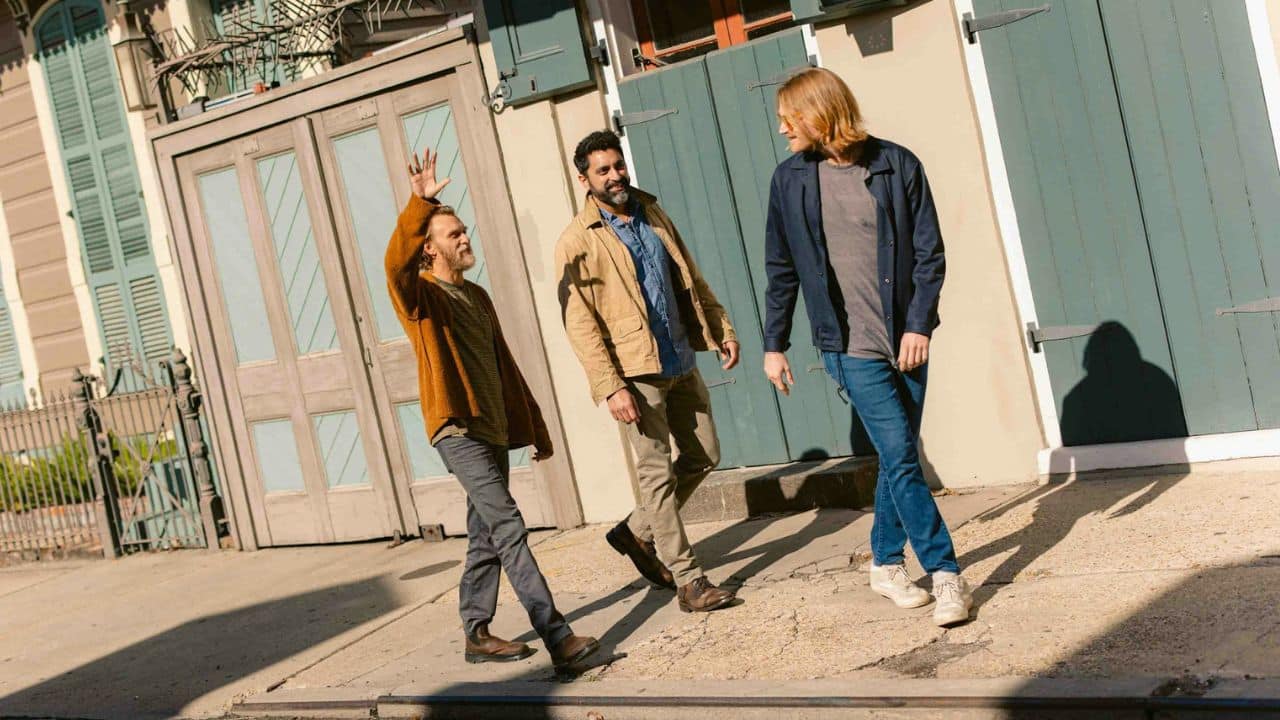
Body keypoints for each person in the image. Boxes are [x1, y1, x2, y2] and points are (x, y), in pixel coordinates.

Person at [761, 68, 973, 627]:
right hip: (848, 345)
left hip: (906, 339)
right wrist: (774, 344)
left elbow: (929, 255)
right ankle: (946, 574)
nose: (782, 129)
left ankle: (884, 563)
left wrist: (919, 325)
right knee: (901, 455)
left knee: (894, 456)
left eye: (789, 118)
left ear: (819, 113)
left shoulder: (896, 165)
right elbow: (781, 268)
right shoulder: (790, 180)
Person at [385, 148, 600, 669]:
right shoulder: (421, 298)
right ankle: (558, 638)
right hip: (457, 431)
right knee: (508, 526)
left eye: (464, 231)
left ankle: (476, 632)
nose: (465, 238)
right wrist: (420, 205)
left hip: (493, 428)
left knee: (484, 534)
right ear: (429, 249)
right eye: (453, 234)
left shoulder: (477, 295)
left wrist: (534, 427)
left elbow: (505, 366)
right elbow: (394, 267)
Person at [555, 130, 740, 613]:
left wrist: (720, 326)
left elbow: (690, 275)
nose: (615, 176)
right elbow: (580, 324)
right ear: (584, 180)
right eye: (603, 170)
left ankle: (635, 531)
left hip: (679, 357)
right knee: (656, 474)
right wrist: (610, 386)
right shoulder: (577, 241)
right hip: (635, 373)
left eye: (618, 165)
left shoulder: (651, 212)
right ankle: (689, 582)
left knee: (704, 454)